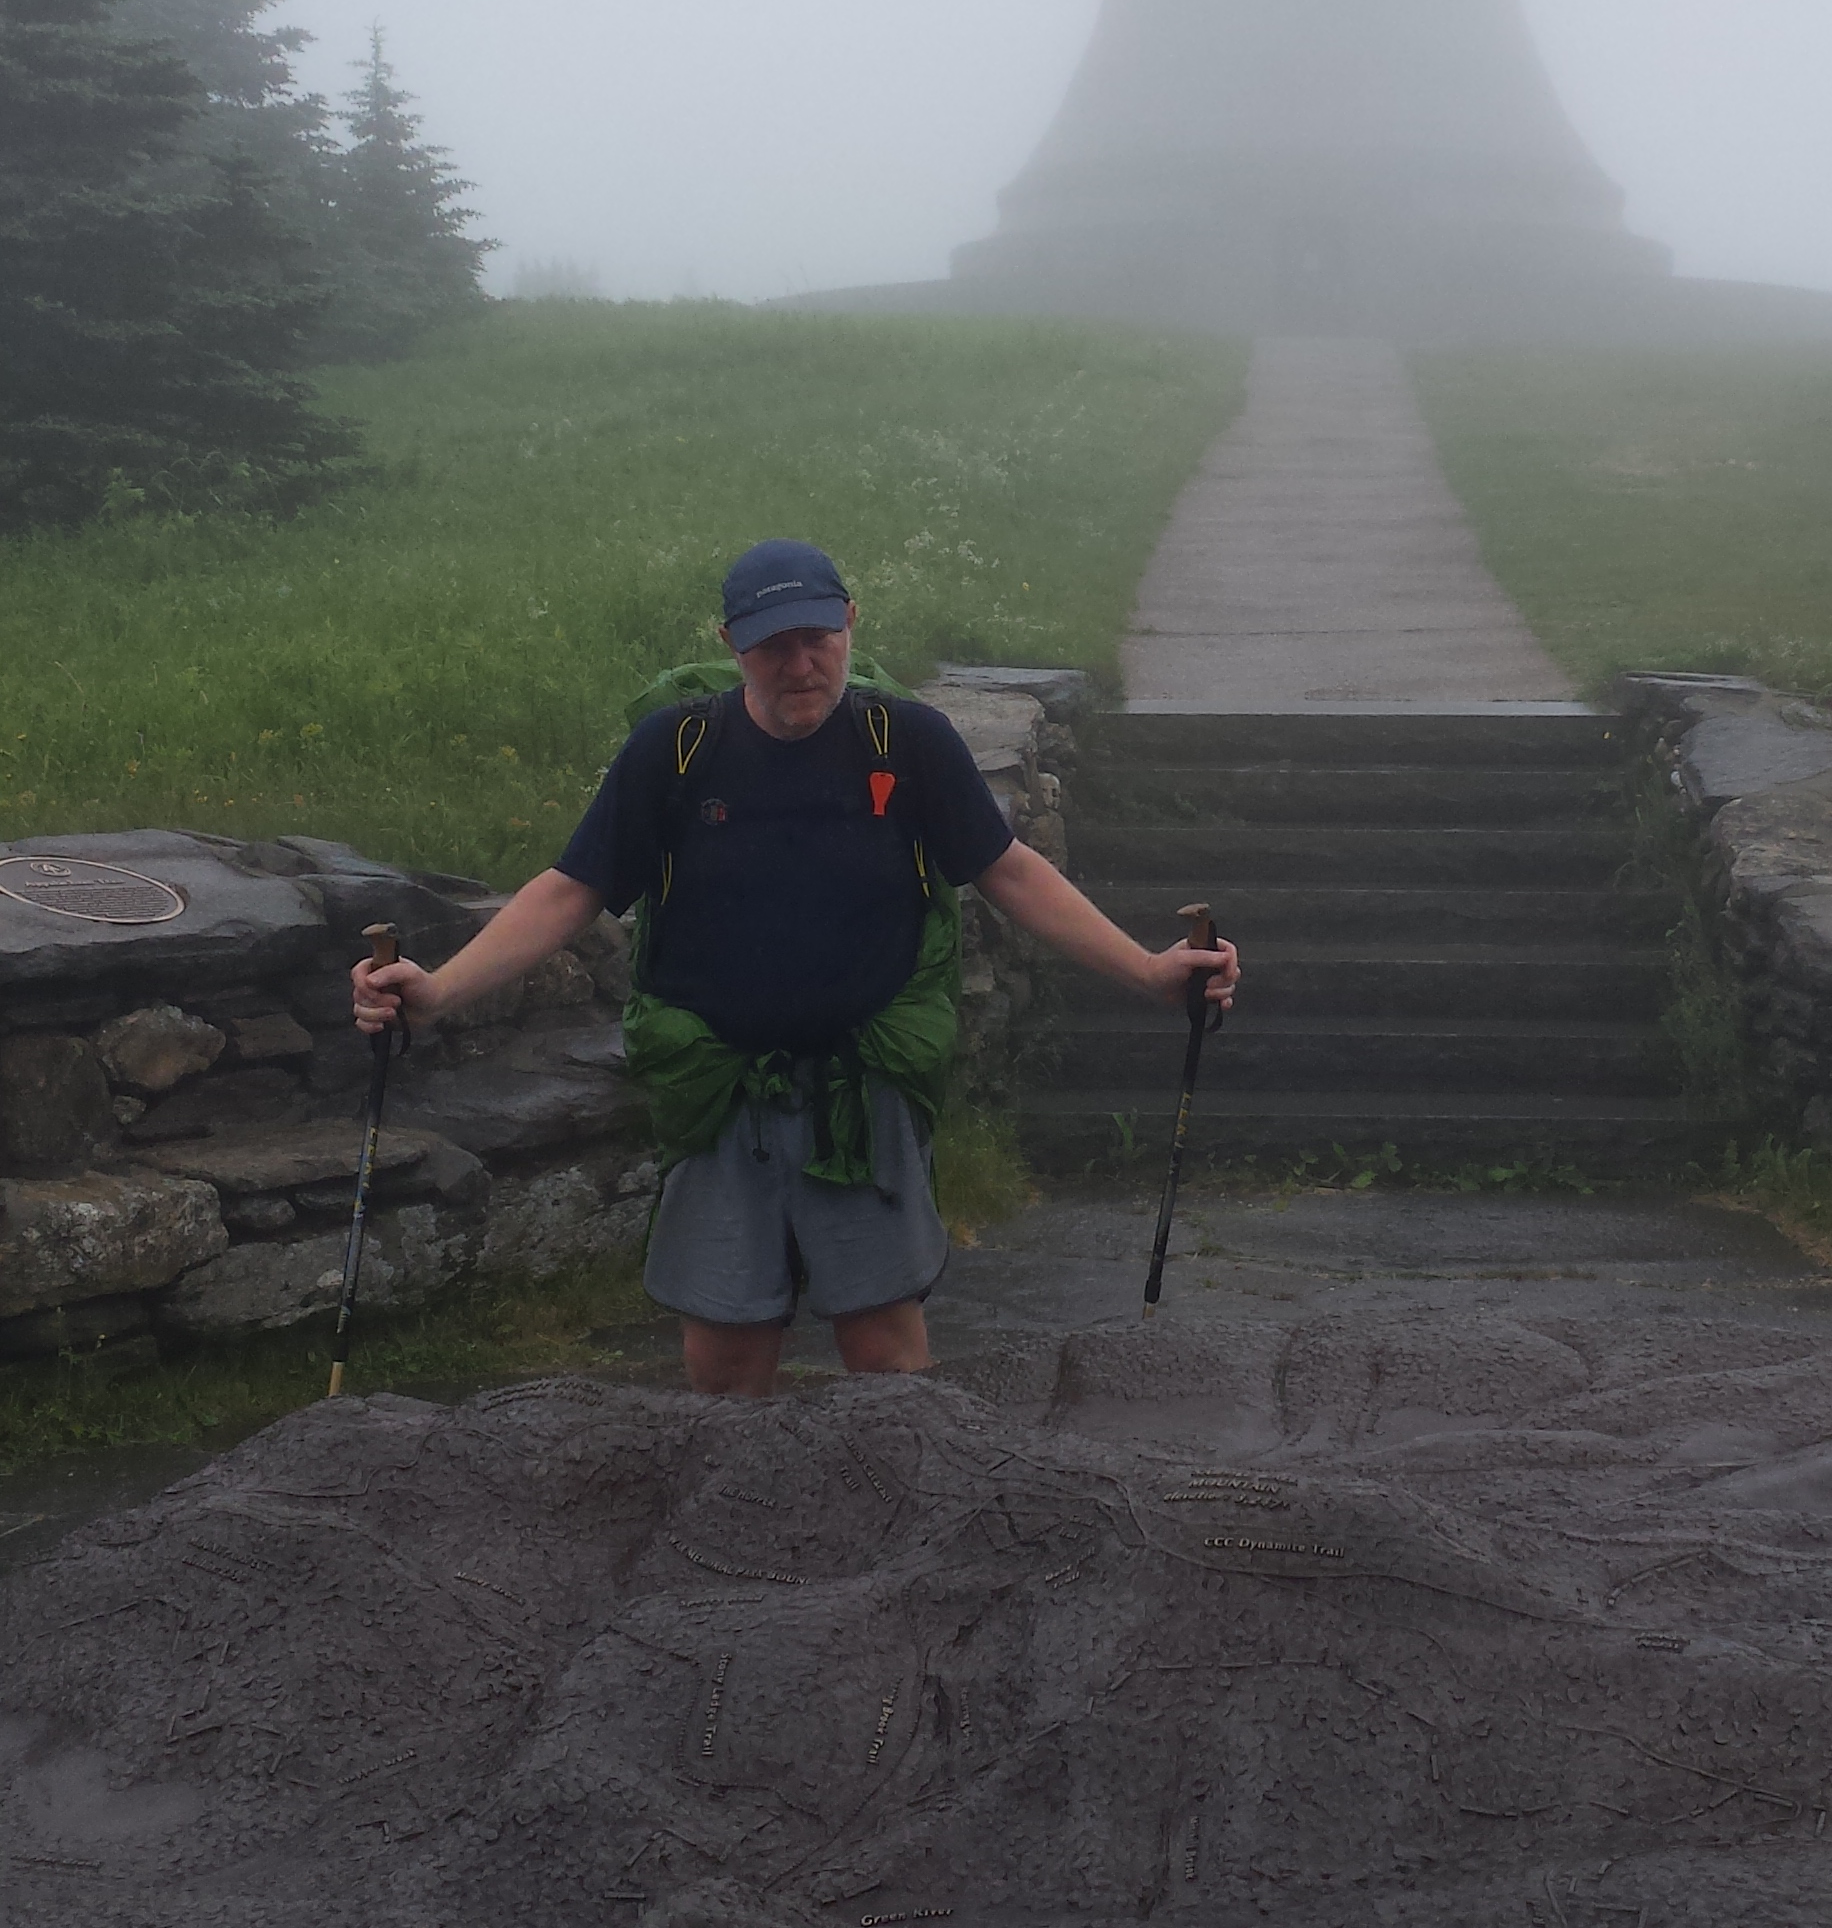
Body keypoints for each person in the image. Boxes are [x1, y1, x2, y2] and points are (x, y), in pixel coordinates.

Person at [351, 537, 1238, 1394]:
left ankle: (896, 1492)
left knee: (886, 1354)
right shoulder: (675, 751)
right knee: (725, 1362)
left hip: (864, 1082)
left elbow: (1007, 870)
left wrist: (1146, 971)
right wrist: (437, 992)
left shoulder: (907, 742)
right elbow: (571, 890)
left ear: (850, 621)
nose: (801, 664)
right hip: (718, 1086)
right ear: (730, 643)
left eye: (817, 637)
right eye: (774, 646)